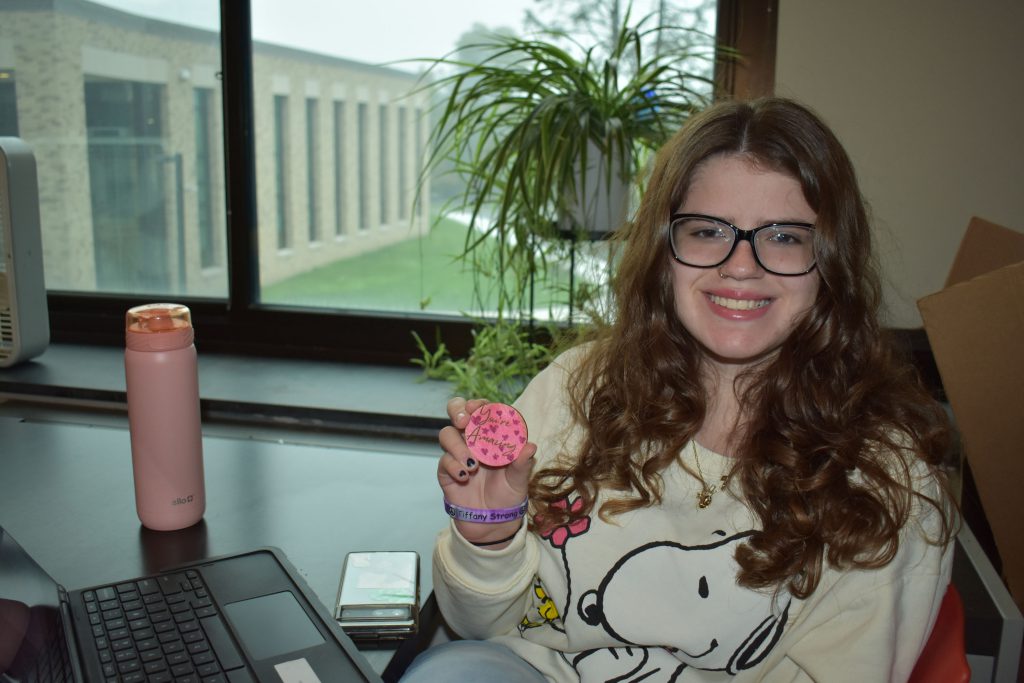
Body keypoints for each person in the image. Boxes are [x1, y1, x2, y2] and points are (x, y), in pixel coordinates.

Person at [402, 97, 957, 683]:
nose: (742, 265)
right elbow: (478, 627)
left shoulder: (885, 485)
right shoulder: (576, 388)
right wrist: (489, 542)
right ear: (664, 252)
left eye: (786, 237)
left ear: (831, 261)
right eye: (708, 231)